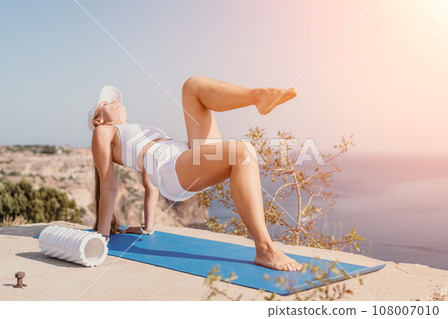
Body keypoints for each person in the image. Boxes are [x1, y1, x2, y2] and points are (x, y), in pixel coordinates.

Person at [88, 76, 301, 271]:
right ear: (98, 120)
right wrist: (102, 237)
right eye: (106, 103)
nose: (114, 102)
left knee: (192, 86)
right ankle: (265, 249)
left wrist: (147, 226)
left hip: (187, 154)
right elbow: (108, 184)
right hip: (172, 168)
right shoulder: (102, 132)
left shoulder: (134, 131)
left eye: (114, 100)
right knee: (243, 151)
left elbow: (149, 179)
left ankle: (258, 96)